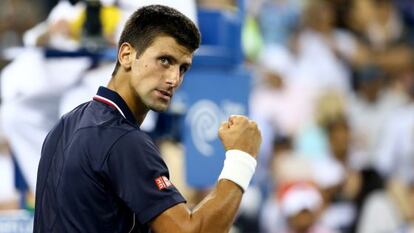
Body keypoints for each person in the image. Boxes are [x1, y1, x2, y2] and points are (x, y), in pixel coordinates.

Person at [33, 4, 262, 233]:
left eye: (183, 68)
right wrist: (241, 158)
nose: (174, 79)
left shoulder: (64, 125)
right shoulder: (123, 141)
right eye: (165, 60)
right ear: (126, 55)